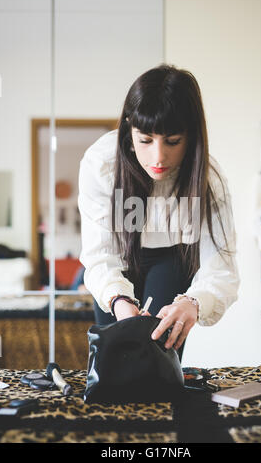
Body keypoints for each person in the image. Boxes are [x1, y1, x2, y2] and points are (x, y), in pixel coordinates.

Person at [78, 64, 240, 363]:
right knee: (113, 359)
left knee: (159, 352)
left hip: (171, 257)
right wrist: (119, 299)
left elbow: (222, 269)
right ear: (129, 127)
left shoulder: (209, 181)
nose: (159, 157)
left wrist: (194, 302)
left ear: (191, 134)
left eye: (173, 141)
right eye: (145, 140)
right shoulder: (101, 165)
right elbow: (100, 254)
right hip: (119, 257)